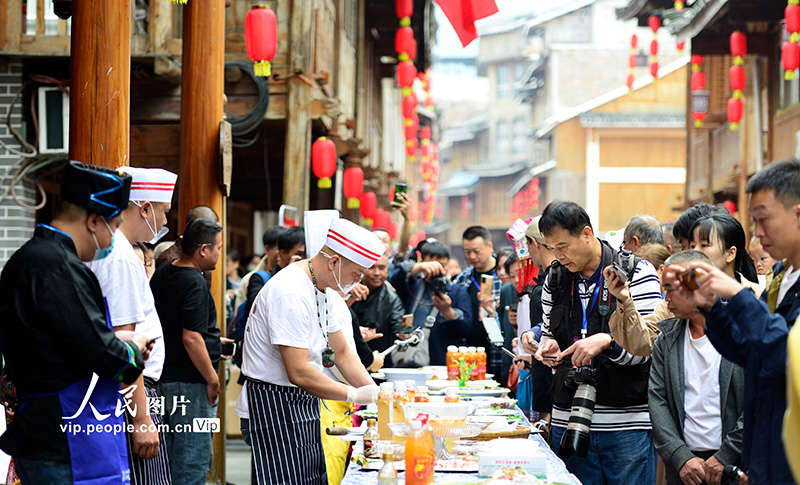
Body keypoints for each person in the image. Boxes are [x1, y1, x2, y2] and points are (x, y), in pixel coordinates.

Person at [0, 161, 153, 484]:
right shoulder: (58, 267)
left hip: (46, 423)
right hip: (64, 433)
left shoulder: (28, 258)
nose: (113, 237)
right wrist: (133, 347)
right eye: (114, 226)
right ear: (94, 221)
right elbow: (105, 355)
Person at [662, 159, 800, 484]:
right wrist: (711, 307)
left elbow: (789, 355)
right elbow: (749, 352)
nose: (758, 233)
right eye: (753, 221)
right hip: (765, 454)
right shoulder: (782, 278)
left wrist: (737, 296)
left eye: (763, 219)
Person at [521, 201, 662, 484]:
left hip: (626, 426)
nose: (558, 256)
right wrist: (548, 348)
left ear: (586, 234)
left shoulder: (636, 272)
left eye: (563, 246)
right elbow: (550, 332)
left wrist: (607, 342)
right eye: (551, 249)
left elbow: (649, 348)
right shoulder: (556, 278)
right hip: (570, 421)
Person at [241, 218, 383, 484]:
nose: (358, 280)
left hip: (303, 400)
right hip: (274, 403)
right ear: (334, 262)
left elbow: (341, 352)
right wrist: (354, 394)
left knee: (311, 477)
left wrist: (376, 393)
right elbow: (299, 371)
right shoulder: (291, 292)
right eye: (356, 273)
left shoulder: (323, 288)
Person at [87, 166, 177, 485]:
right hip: (131, 392)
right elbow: (125, 346)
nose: (166, 222)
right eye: (164, 212)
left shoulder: (117, 249)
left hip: (128, 389)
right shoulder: (121, 255)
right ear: (145, 208)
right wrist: (141, 418)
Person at [648, 250, 745, 485]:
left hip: (735, 466)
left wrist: (725, 456)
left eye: (671, 289)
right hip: (684, 468)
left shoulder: (741, 332)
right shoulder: (667, 339)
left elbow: (758, 401)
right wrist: (681, 457)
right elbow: (657, 400)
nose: (665, 297)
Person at [150, 218, 224, 485]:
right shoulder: (194, 282)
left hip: (164, 379)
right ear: (203, 249)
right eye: (217, 248)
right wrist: (212, 378)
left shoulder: (163, 272)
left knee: (170, 459)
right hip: (190, 383)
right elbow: (191, 338)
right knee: (192, 461)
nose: (219, 253)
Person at [390, 240, 473, 366]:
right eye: (432, 265)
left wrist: (448, 312)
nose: (437, 270)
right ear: (422, 262)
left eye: (442, 265)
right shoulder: (411, 285)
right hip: (408, 358)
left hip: (441, 361)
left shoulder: (457, 292)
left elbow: (466, 328)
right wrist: (417, 268)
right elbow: (394, 279)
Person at [454, 226, 503, 377]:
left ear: (489, 246)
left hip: (498, 354)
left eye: (476, 251)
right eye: (467, 252)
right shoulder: (463, 279)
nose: (472, 256)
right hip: (468, 355)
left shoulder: (505, 276)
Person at [350, 254, 405, 367]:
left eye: (381, 268)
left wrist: (404, 332)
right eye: (371, 267)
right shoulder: (348, 289)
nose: (377, 273)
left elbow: (398, 324)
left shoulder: (392, 298)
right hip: (349, 356)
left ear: (387, 270)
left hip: (379, 359)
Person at [688, 212, 761, 293]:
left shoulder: (757, 296)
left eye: (704, 245)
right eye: (692, 246)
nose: (695, 251)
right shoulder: (684, 293)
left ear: (731, 254)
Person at [244, 226, 306, 316]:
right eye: (299, 254)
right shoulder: (259, 280)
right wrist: (289, 275)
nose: (303, 259)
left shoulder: (307, 281)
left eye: (306, 255)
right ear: (283, 253)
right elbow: (257, 313)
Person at [154, 205, 220, 289]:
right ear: (191, 227)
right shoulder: (169, 259)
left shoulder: (205, 258)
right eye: (211, 231)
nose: (214, 236)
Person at [235, 225, 286, 310]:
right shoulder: (248, 279)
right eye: (280, 250)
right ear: (267, 249)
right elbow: (240, 316)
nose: (283, 253)